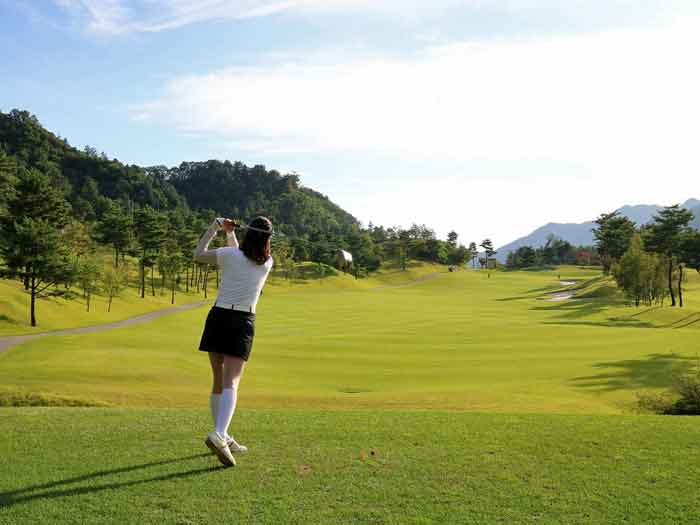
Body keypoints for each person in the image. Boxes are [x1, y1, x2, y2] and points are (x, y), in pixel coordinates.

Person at [193, 216, 274, 467]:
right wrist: (229, 234)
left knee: (219, 379)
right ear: (267, 239)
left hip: (218, 317)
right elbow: (243, 257)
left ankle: (224, 436)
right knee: (232, 381)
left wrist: (216, 227)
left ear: (248, 233)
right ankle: (219, 434)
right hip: (242, 320)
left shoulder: (229, 255)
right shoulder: (267, 262)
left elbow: (199, 254)